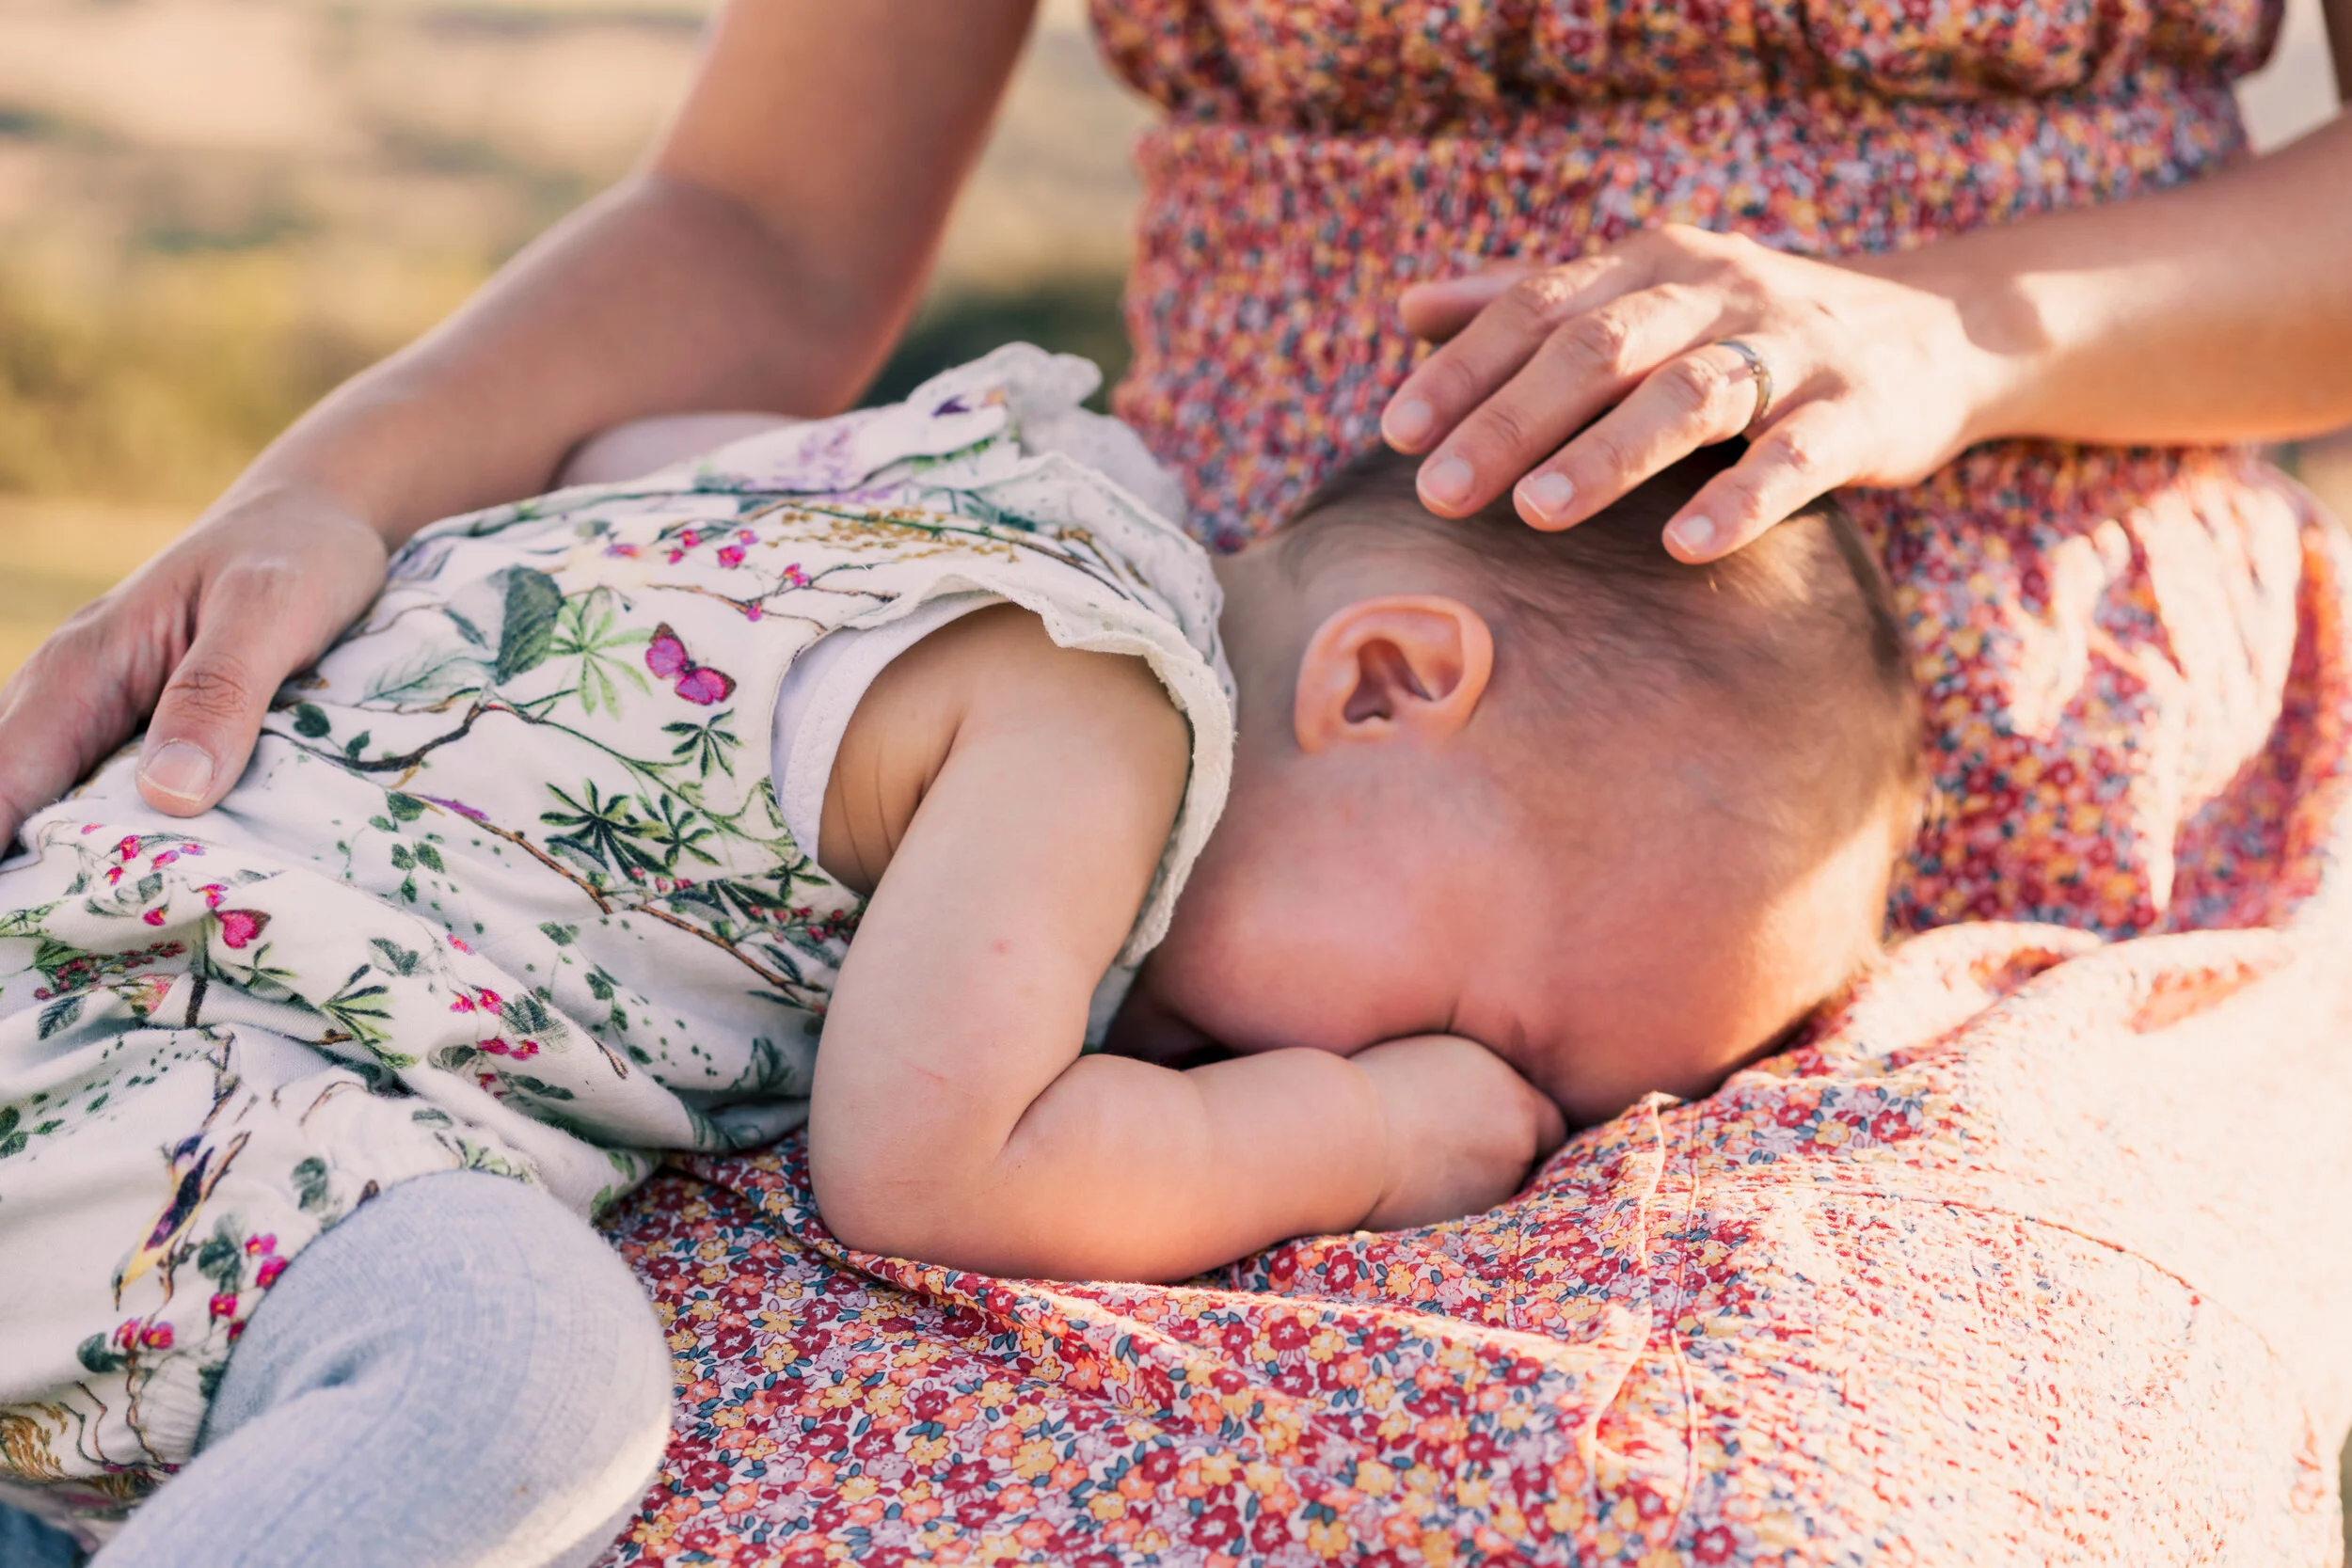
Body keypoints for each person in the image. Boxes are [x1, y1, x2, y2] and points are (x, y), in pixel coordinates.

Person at [0, 346, 1919, 1563]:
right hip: (210, 1084)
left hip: (83, 976)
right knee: (524, 1392)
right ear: (1384, 682)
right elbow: (937, 1164)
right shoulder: (1100, 710)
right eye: (1487, 1020)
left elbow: (622, 428)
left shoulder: (991, 455)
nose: (1496, 1093)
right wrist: (1370, 1118)